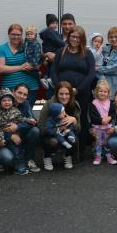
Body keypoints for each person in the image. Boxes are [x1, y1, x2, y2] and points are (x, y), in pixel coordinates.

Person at [50, 25, 96, 153]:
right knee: (60, 120)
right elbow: (53, 72)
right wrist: (61, 90)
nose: (75, 39)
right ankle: (62, 150)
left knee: (80, 120)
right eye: (73, 36)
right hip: (62, 95)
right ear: (68, 37)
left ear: (82, 39)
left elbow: (91, 74)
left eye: (78, 37)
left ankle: (80, 152)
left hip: (81, 93)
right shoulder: (61, 52)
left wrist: (78, 90)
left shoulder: (87, 54)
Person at [0, 83, 41, 174]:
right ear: (13, 92)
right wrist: (10, 136)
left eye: (25, 94)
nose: (22, 96)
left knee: (35, 131)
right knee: (7, 158)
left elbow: (33, 122)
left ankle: (28, 160)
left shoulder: (25, 103)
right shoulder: (1, 106)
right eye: (19, 93)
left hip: (18, 138)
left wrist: (17, 127)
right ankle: (0, 161)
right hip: (0, 141)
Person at [38, 82, 81, 171]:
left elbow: (79, 130)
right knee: (54, 141)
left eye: (67, 94)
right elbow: (41, 127)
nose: (64, 97)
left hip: (66, 133)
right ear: (56, 94)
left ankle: (67, 156)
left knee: (74, 139)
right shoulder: (49, 104)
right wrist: (56, 130)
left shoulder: (74, 104)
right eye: (61, 94)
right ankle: (47, 156)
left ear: (71, 94)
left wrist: (74, 120)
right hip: (50, 134)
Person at [0, 23, 40, 109]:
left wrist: (35, 66)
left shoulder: (29, 45)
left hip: (29, 88)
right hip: (9, 89)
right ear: (8, 35)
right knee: (8, 117)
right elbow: (0, 69)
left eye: (18, 35)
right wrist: (21, 67)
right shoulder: (1, 48)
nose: (16, 37)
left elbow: (38, 60)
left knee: (26, 115)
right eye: (13, 34)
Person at [96, 26, 117, 96]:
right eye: (111, 37)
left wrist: (98, 69)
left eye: (116, 37)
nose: (113, 39)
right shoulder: (104, 49)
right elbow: (97, 61)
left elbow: (115, 69)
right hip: (103, 87)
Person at [88, 79, 116, 165]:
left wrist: (109, 118)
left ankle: (108, 156)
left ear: (108, 93)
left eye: (105, 91)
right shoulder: (94, 103)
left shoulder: (110, 103)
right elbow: (93, 116)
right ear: (96, 92)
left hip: (107, 126)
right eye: (101, 91)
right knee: (99, 142)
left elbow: (113, 113)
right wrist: (101, 120)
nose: (103, 93)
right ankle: (98, 156)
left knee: (106, 142)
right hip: (98, 127)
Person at [40, 14, 64, 92]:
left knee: (50, 66)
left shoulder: (51, 32)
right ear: (48, 24)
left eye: (56, 23)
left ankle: (46, 78)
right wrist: (65, 45)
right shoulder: (50, 32)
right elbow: (56, 41)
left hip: (48, 50)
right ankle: (49, 79)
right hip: (51, 50)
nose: (55, 25)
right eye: (53, 23)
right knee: (52, 65)